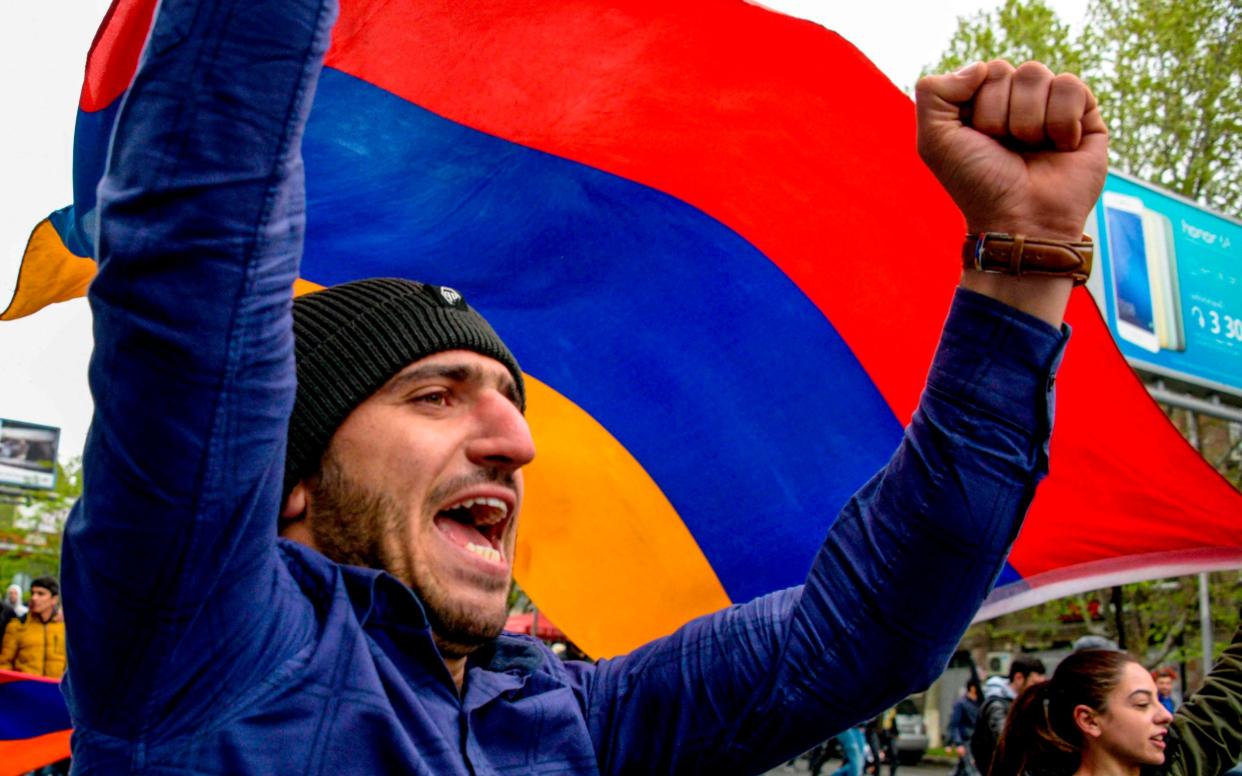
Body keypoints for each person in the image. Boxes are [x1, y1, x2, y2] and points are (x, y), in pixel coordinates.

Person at [60, 0, 1107, 772]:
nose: (514, 444)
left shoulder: (585, 716)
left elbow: (876, 620)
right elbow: (197, 245)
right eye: (435, 394)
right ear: (289, 473)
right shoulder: (200, 638)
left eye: (510, 404)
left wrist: (1026, 259)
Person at [989, 626, 1242, 776]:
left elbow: (1230, 691)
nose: (1165, 715)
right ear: (1088, 720)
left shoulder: (1174, 762)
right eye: (1142, 703)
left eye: (1157, 698)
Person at [973, 657, 1048, 772]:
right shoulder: (997, 705)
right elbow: (1007, 740)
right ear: (1018, 678)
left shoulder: (1028, 702)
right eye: (1035, 684)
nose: (1038, 690)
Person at [0, 577, 65, 679]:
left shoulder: (65, 629)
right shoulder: (18, 625)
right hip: (24, 691)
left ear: (54, 599)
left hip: (56, 692)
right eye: (33, 593)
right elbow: (4, 664)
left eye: (40, 594)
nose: (34, 598)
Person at [948, 679, 982, 776]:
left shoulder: (979, 703)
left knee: (962, 770)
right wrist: (958, 744)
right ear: (972, 688)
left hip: (976, 742)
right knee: (972, 770)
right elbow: (955, 724)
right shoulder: (961, 703)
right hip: (965, 741)